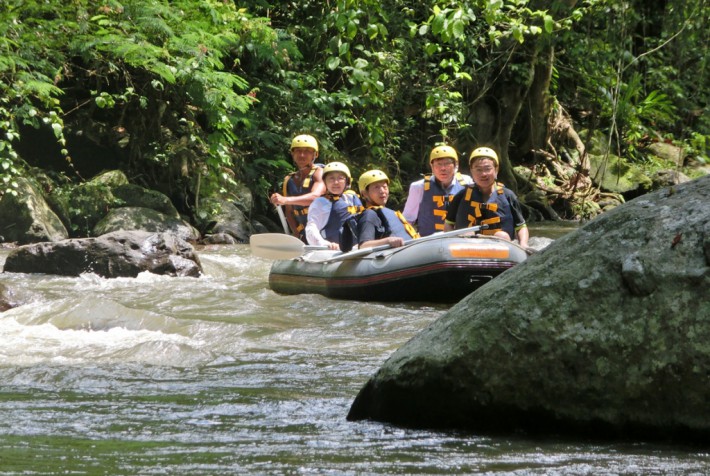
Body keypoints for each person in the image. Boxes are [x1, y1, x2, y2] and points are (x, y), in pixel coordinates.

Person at [444, 147, 529, 247]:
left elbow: (521, 226)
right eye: (478, 169)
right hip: (468, 246)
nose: (483, 174)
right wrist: (450, 242)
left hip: (501, 246)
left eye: (487, 169)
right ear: (471, 171)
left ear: (496, 169)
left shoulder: (508, 196)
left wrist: (523, 244)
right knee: (466, 234)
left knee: (502, 235)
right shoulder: (461, 196)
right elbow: (448, 224)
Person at [402, 144, 473, 236]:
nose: (443, 168)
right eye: (438, 164)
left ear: (456, 165)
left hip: (458, 239)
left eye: (447, 163)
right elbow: (408, 219)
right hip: (428, 241)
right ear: (432, 166)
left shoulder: (467, 183)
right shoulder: (418, 187)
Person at [270, 134, 326, 242]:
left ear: (316, 154)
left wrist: (285, 200)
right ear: (292, 154)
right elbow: (290, 212)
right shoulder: (289, 180)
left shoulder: (320, 173)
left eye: (307, 151)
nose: (302, 155)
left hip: (324, 231)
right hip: (304, 233)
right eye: (298, 151)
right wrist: (296, 235)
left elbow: (315, 197)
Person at [348, 169, 420, 251]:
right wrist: (388, 241)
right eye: (376, 187)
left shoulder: (391, 213)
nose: (382, 191)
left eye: (385, 187)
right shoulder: (369, 215)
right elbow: (364, 245)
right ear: (364, 193)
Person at [305, 162, 363, 250]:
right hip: (333, 251)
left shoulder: (351, 198)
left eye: (340, 178)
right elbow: (311, 228)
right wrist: (324, 243)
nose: (336, 182)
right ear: (325, 182)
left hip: (356, 249)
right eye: (331, 178)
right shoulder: (320, 202)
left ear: (347, 181)